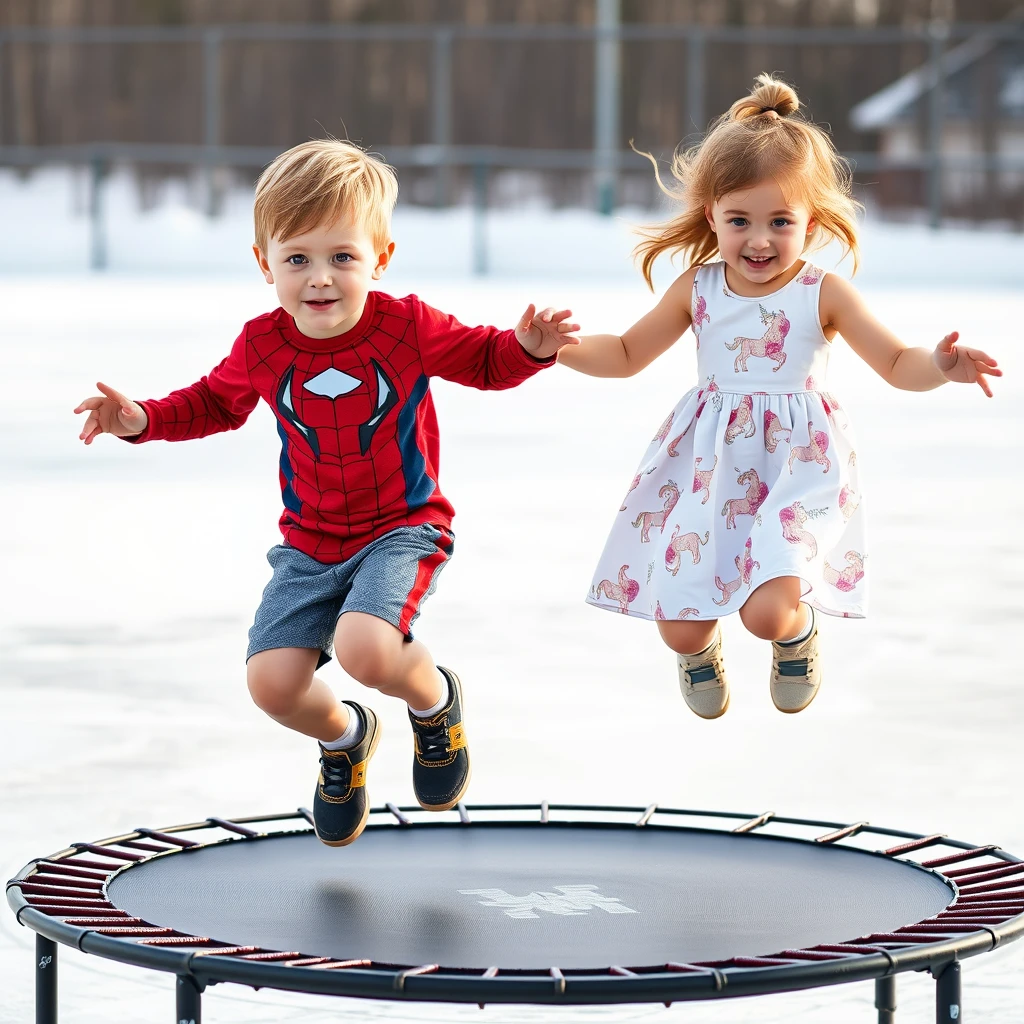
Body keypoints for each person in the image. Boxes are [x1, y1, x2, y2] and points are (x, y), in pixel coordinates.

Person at [74, 139, 579, 846]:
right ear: (265, 264)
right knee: (273, 685)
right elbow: (215, 403)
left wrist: (527, 348)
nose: (320, 279)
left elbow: (483, 360)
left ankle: (434, 705)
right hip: (310, 544)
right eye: (298, 259)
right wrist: (143, 421)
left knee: (368, 650)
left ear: (380, 258)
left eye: (343, 257)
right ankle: (347, 741)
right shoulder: (262, 344)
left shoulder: (406, 326)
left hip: (403, 527)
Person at [559, 74, 1000, 720]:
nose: (758, 240)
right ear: (711, 215)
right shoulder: (698, 288)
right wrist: (554, 348)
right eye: (739, 220)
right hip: (709, 468)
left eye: (779, 222)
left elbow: (898, 362)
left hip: (799, 468)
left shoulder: (823, 292)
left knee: (766, 613)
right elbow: (626, 354)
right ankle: (698, 650)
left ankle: (796, 634)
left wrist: (941, 364)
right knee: (679, 625)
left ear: (810, 223)